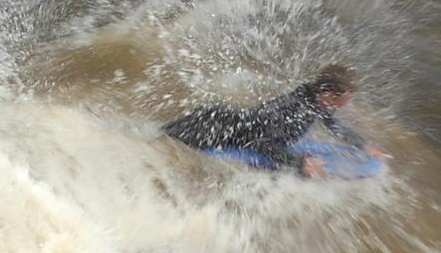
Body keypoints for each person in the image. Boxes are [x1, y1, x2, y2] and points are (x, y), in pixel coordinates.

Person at [163, 64, 388, 177]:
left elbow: (332, 123)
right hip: (206, 132)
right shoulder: (298, 113)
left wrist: (362, 145)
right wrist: (300, 164)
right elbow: (261, 144)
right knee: (162, 155)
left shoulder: (310, 98)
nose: (347, 104)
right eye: (345, 99)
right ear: (329, 94)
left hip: (212, 119)